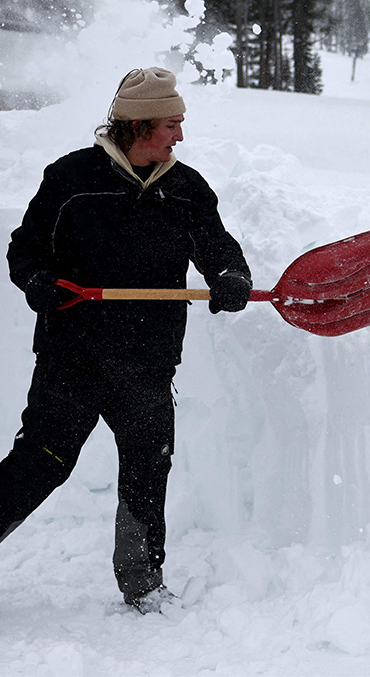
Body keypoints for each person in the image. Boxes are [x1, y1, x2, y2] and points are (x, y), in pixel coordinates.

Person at [4, 67, 252, 614]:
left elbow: (218, 249)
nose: (180, 136)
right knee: (41, 462)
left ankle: (141, 581)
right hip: (73, 357)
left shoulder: (186, 190)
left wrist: (231, 279)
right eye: (171, 124)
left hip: (148, 361)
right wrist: (39, 283)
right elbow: (24, 250)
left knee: (146, 466)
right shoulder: (71, 179)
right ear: (137, 126)